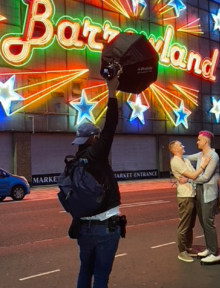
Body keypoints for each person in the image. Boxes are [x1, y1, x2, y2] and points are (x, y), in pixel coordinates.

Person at [71, 76, 122, 288]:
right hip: (105, 227)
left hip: (83, 227)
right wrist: (112, 93)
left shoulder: (74, 161)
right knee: (101, 276)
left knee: (85, 271)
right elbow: (110, 126)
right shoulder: (95, 155)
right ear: (93, 139)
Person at [178, 130, 220, 265]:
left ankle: (215, 253)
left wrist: (188, 180)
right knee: (203, 223)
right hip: (200, 191)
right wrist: (177, 154)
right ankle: (209, 249)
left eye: (199, 140)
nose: (197, 142)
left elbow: (205, 177)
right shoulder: (201, 155)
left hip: (208, 192)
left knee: (208, 223)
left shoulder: (213, 156)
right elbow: (186, 157)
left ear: (206, 141)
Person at [168, 140, 211, 263]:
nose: (183, 146)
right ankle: (182, 251)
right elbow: (193, 175)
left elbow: (193, 175)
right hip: (185, 196)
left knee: (191, 225)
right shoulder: (175, 161)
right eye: (180, 145)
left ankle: (188, 248)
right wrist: (203, 165)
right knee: (184, 225)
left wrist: (189, 177)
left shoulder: (185, 160)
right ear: (175, 149)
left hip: (192, 194)